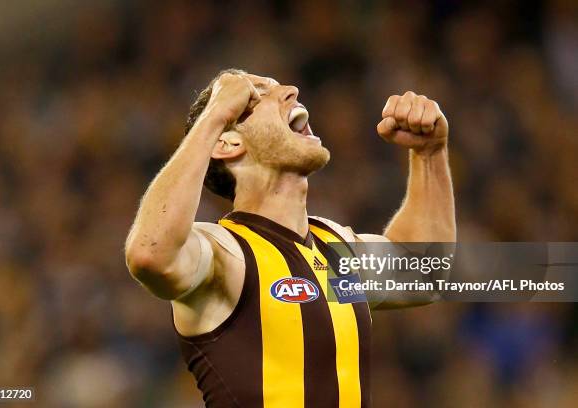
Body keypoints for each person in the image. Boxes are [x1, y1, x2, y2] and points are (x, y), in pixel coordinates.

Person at [125, 69, 455, 407]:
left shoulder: (334, 247)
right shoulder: (227, 253)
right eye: (257, 93)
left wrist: (430, 154)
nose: (291, 90)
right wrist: (214, 116)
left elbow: (425, 272)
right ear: (228, 143)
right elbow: (151, 253)